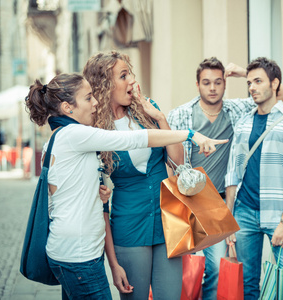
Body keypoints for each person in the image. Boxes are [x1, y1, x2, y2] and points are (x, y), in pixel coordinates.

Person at [25, 72, 226, 300]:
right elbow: (131, 140)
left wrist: (97, 193)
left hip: (72, 251)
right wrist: (191, 134)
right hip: (79, 255)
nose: (95, 103)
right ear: (67, 107)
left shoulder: (58, 137)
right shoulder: (75, 134)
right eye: (88, 98)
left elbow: (62, 191)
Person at [83, 50, 204, 300]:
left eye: (130, 74)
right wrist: (113, 264)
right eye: (123, 75)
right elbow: (99, 204)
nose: (131, 81)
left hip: (168, 220)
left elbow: (178, 161)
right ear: (106, 84)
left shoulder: (147, 112)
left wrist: (160, 118)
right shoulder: (96, 130)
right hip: (129, 226)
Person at [167, 57, 283, 300]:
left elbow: (282, 92)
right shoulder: (180, 115)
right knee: (188, 268)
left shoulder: (238, 109)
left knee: (215, 267)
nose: (212, 88)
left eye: (218, 82)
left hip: (222, 201)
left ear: (225, 84)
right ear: (197, 84)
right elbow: (170, 161)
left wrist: (246, 73)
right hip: (192, 199)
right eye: (206, 83)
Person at [225, 57, 283, 300]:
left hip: (279, 215)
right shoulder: (242, 123)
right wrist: (229, 219)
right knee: (248, 282)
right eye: (249, 82)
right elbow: (233, 173)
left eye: (258, 81)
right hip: (244, 214)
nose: (251, 87)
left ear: (275, 84)